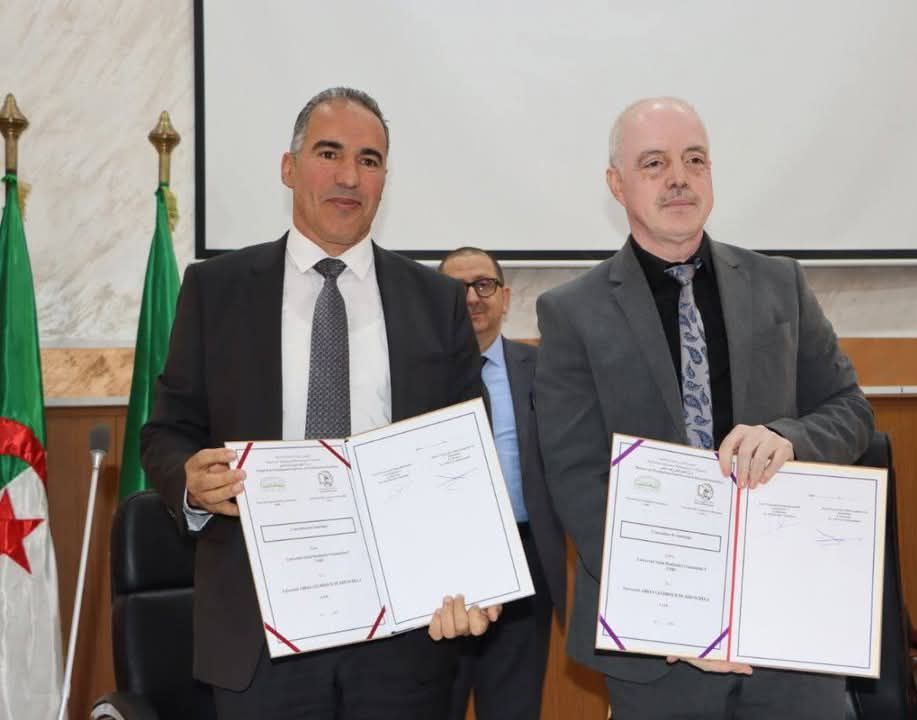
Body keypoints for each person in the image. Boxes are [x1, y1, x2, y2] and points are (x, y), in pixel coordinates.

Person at [141, 87, 499, 720]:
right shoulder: (216, 289)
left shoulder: (434, 300)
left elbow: (469, 456)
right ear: (289, 167)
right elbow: (166, 432)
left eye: (369, 160)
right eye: (329, 153)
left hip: (402, 634)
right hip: (257, 632)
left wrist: (474, 575)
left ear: (384, 180)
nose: (348, 176)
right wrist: (190, 483)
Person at [533, 97, 874, 719]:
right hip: (659, 649)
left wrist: (790, 437)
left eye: (695, 160)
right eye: (654, 163)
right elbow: (578, 479)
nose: (679, 178)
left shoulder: (779, 284)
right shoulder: (572, 312)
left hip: (790, 627)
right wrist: (676, 612)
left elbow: (850, 411)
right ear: (617, 184)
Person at [437, 247, 566, 720]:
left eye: (484, 285)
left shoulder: (547, 368)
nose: (472, 297)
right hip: (438, 567)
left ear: (505, 297)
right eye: (457, 289)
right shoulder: (412, 373)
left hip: (525, 561)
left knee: (514, 708)